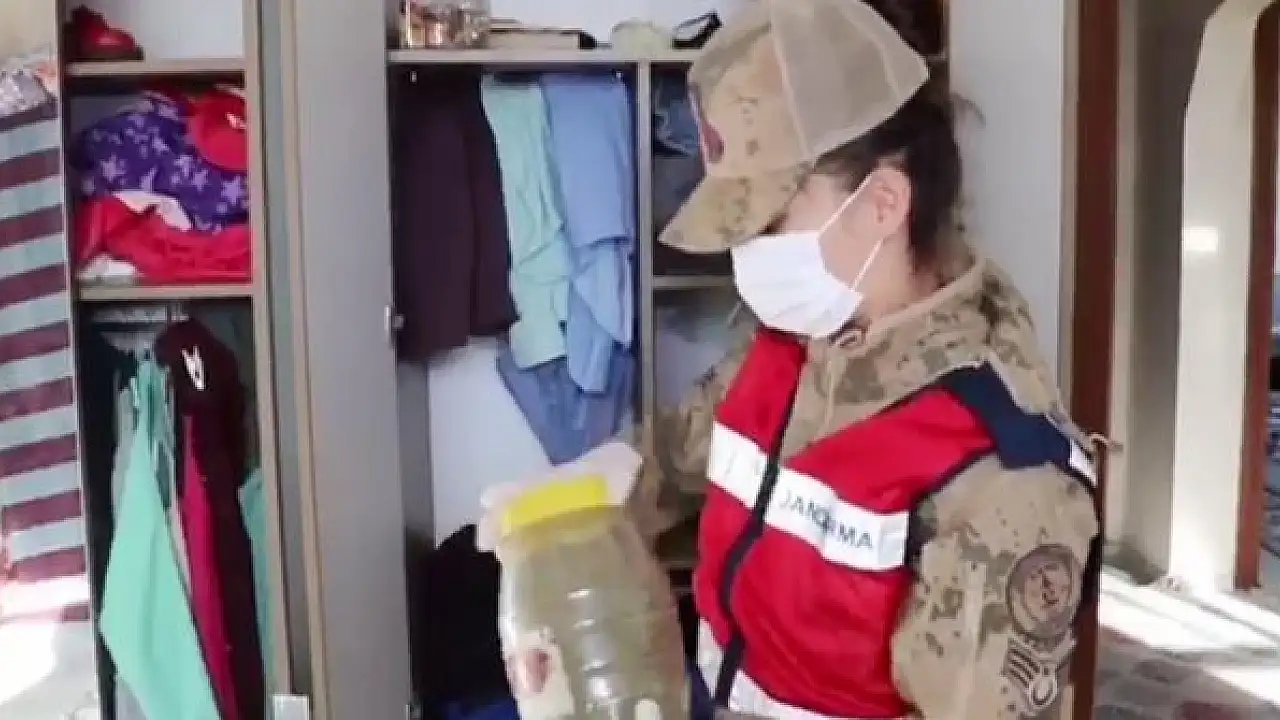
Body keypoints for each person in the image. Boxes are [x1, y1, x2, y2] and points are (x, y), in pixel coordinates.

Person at [625, 0, 1102, 718]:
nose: (745, 253)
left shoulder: (1006, 482)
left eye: (767, 224)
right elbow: (678, 454)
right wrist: (570, 521)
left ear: (882, 203)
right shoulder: (798, 341)